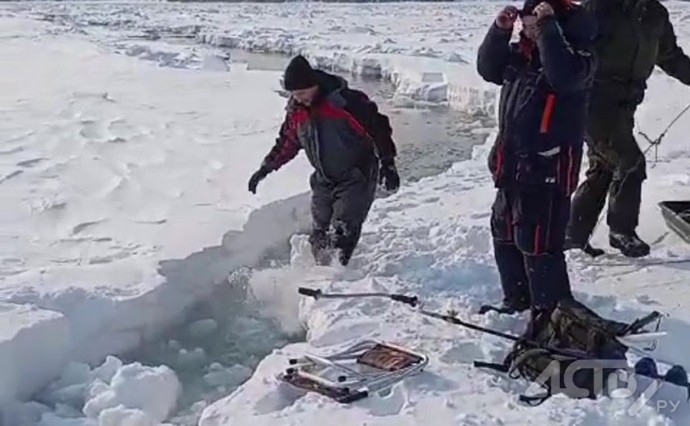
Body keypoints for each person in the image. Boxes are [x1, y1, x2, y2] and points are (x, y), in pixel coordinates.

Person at [476, 0, 597, 313]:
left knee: (539, 241)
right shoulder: (524, 52)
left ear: (552, 21)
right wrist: (499, 32)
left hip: (549, 164)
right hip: (512, 160)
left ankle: (551, 313)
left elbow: (563, 77)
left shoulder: (578, 53)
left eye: (535, 24)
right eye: (525, 24)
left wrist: (548, 32)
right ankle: (517, 299)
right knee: (504, 230)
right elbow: (489, 69)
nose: (527, 30)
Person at [247, 55, 400, 266]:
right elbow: (287, 143)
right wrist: (265, 169)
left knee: (342, 229)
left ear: (314, 85)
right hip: (324, 179)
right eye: (293, 94)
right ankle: (319, 272)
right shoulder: (297, 112)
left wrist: (387, 163)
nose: (297, 98)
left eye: (301, 93)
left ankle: (335, 276)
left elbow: (378, 128)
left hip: (357, 176)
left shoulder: (345, 102)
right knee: (319, 233)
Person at [566, 0, 690, 258]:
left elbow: (669, 56)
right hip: (593, 102)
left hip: (626, 104)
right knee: (628, 161)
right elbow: (571, 50)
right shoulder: (598, 8)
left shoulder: (655, 14)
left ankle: (573, 235)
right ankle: (621, 231)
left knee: (604, 168)